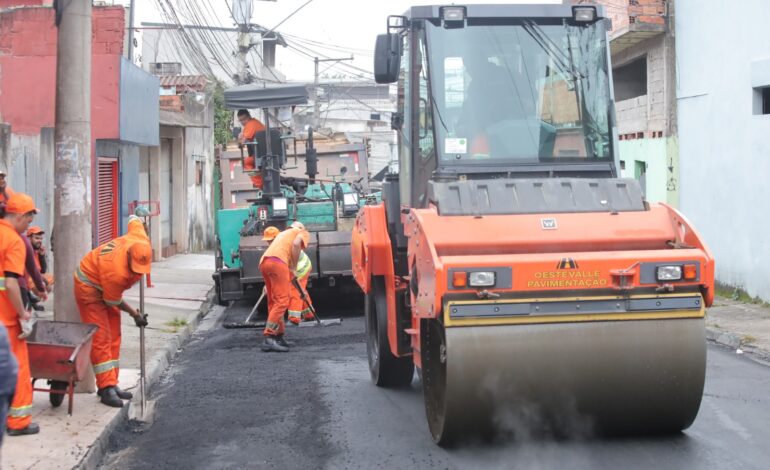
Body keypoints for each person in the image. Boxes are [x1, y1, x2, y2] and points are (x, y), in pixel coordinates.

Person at [74, 216, 151, 407]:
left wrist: (140, 217)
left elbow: (134, 220)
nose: (137, 274)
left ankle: (112, 382)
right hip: (89, 285)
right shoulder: (116, 272)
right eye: (135, 269)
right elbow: (114, 301)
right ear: (128, 258)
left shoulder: (140, 238)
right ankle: (105, 388)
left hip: (104, 285)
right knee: (102, 337)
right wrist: (135, 314)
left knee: (115, 333)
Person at [1, 192, 40, 436]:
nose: (29, 224)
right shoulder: (13, 241)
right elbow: (12, 282)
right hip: (6, 319)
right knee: (18, 367)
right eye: (29, 218)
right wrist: (22, 315)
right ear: (19, 215)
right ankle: (17, 422)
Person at [258, 222, 309, 352]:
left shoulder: (283, 235)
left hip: (265, 262)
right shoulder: (301, 231)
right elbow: (297, 244)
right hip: (278, 263)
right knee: (282, 301)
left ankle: (278, 336)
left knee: (274, 301)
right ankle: (269, 337)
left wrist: (300, 291)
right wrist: (294, 266)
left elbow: (291, 277)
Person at [237, 109, 266, 189]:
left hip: (261, 155)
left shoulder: (250, 125)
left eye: (244, 119)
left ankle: (259, 184)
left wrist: (240, 137)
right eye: (241, 120)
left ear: (249, 116)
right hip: (264, 153)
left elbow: (242, 143)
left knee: (246, 162)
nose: (243, 122)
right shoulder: (255, 123)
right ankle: (260, 179)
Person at [27, 226, 52, 311]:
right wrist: (44, 282)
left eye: (41, 238)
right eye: (37, 238)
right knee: (43, 284)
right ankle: (31, 299)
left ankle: (33, 300)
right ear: (29, 238)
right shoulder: (26, 249)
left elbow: (43, 270)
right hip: (27, 277)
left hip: (35, 276)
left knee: (52, 277)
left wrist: (41, 256)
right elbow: (31, 272)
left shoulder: (37, 250)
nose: (39, 241)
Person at [287, 248, 315, 325]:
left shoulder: (281, 247)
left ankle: (294, 319)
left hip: (300, 268)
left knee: (295, 291)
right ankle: (309, 315)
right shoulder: (279, 244)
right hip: (301, 266)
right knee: (300, 290)